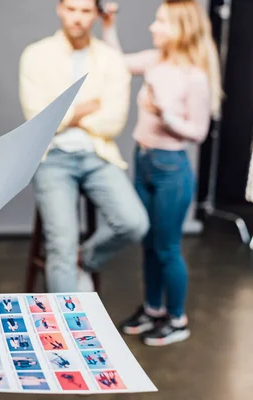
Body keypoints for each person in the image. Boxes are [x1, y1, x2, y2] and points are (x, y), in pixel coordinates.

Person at [102, 0, 221, 345]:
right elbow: (116, 63)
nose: (154, 27)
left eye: (161, 22)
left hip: (172, 170)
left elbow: (197, 131)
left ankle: (177, 319)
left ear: (181, 28)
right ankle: (153, 310)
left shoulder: (194, 76)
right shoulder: (156, 61)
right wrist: (109, 23)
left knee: (167, 247)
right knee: (149, 244)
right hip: (144, 161)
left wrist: (165, 112)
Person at [19, 0, 149, 293]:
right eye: (72, 9)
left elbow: (113, 121)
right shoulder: (36, 55)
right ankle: (65, 332)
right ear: (60, 9)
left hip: (97, 154)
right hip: (51, 157)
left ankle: (84, 260)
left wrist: (63, 112)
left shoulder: (111, 59)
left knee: (134, 223)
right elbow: (38, 117)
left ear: (97, 15)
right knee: (60, 246)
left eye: (86, 11)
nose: (77, 17)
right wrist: (84, 110)